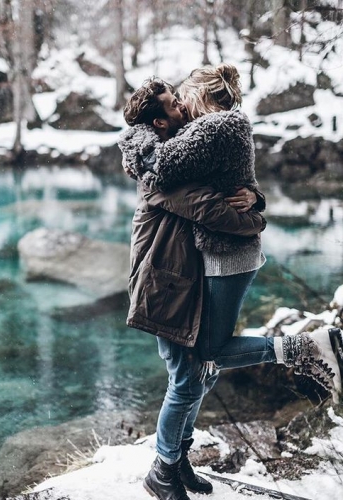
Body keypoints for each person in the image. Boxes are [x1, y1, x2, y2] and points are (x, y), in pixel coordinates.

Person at [118, 70, 343, 500]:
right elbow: (209, 208)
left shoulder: (179, 149)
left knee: (196, 375)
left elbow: (230, 184)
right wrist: (257, 218)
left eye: (181, 97)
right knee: (188, 376)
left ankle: (176, 462)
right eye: (173, 102)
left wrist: (255, 198)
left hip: (184, 280)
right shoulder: (160, 172)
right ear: (161, 123)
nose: (182, 104)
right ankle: (163, 470)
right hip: (162, 287)